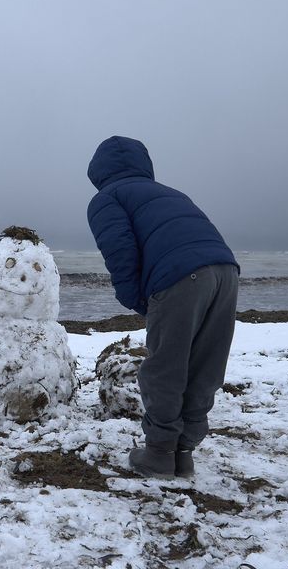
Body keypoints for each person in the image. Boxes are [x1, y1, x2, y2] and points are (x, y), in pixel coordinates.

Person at [86, 135, 239, 479]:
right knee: (205, 365)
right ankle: (183, 453)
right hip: (226, 272)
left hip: (181, 275)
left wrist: (139, 300)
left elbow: (120, 252)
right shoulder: (171, 193)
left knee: (166, 366)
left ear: (98, 171)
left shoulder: (107, 198)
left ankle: (158, 453)